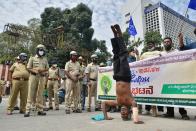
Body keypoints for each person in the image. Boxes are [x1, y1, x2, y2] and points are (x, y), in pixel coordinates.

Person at [102, 24, 143, 124]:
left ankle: (115, 35)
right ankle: (119, 33)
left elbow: (103, 103)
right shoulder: (130, 101)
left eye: (122, 114)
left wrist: (106, 116)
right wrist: (136, 119)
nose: (123, 112)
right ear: (129, 112)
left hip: (117, 76)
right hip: (125, 76)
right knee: (123, 54)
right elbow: (134, 104)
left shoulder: (118, 102)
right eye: (125, 114)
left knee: (116, 56)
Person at [161, 37, 190, 120]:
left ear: (171, 43)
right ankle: (170, 112)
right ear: (163, 44)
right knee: (168, 95)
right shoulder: (161, 54)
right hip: (166, 78)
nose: (166, 43)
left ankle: (183, 113)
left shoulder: (176, 52)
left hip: (176, 76)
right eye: (165, 42)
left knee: (179, 95)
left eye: (168, 41)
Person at [24, 44, 49, 117]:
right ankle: (27, 110)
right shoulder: (32, 58)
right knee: (31, 93)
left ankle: (40, 110)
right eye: (40, 50)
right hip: (33, 77)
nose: (41, 51)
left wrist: (42, 70)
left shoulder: (45, 59)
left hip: (41, 77)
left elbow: (47, 68)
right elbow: (28, 68)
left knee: (40, 93)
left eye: (42, 50)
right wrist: (35, 70)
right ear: (37, 50)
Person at [140, 41, 163, 116]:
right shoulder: (144, 54)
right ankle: (147, 109)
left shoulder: (159, 52)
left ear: (154, 45)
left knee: (158, 92)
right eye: (148, 44)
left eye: (151, 44)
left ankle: (160, 110)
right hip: (148, 76)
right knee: (148, 92)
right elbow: (139, 63)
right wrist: (137, 54)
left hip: (158, 75)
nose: (150, 46)